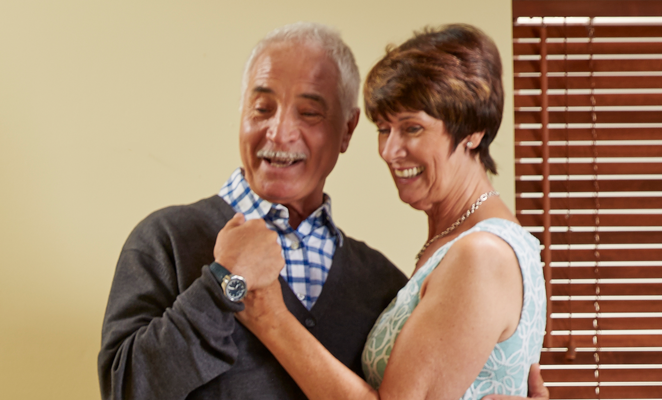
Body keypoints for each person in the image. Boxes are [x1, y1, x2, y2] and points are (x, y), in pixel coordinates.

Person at [98, 22, 546, 400]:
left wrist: (270, 317)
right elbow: (124, 389)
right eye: (261, 108)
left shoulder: (381, 282)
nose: (280, 131)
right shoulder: (167, 239)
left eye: (309, 113)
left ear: (347, 129)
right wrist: (225, 285)